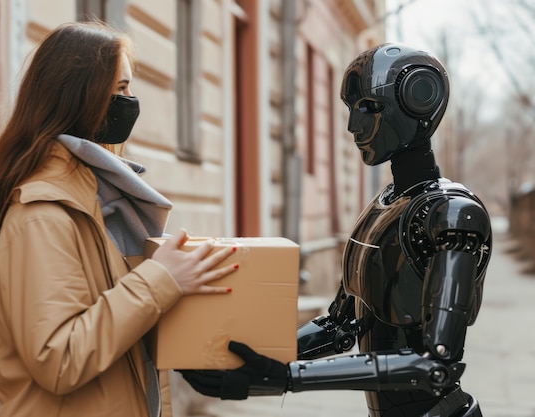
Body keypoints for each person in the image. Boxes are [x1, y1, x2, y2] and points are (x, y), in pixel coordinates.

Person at [180, 43, 492, 417]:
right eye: (351, 109)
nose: (352, 126)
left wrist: (285, 376)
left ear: (416, 101)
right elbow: (339, 325)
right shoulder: (384, 206)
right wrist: (242, 357)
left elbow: (435, 365)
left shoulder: (454, 214)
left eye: (367, 108)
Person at [0, 21, 238, 417]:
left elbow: (112, 321)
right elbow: (60, 358)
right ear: (80, 96)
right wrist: (162, 280)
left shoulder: (101, 201)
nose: (131, 101)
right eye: (121, 89)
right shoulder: (43, 215)